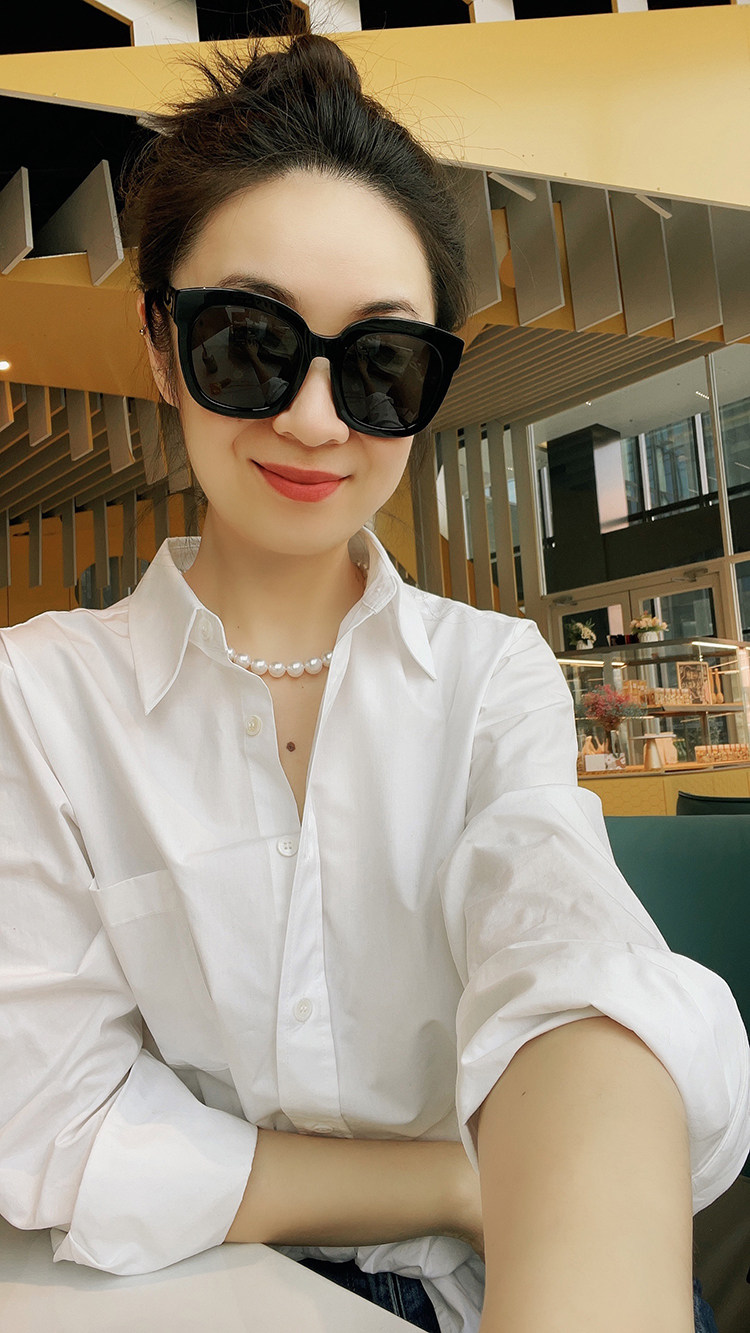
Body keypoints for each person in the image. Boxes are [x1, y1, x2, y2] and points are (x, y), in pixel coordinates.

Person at [0, 32, 746, 1333]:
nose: (313, 418)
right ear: (163, 345)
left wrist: (573, 1135)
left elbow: (559, 942)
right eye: (249, 343)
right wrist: (452, 1182)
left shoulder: (488, 673)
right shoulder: (41, 701)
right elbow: (52, 1127)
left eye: (381, 363)